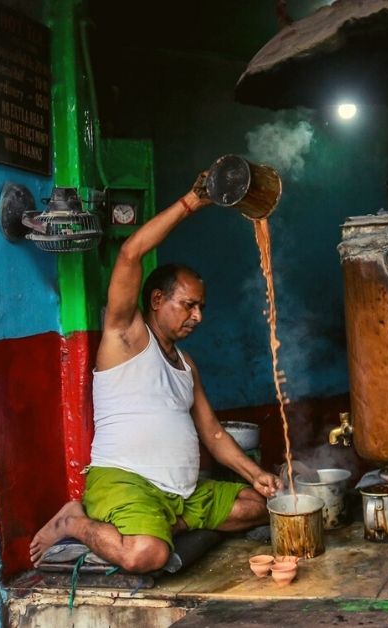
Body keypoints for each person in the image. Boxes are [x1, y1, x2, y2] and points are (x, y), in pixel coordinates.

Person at [29, 178, 281, 574]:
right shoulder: (125, 336)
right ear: (158, 300)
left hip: (183, 495)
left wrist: (258, 474)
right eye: (189, 305)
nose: (198, 316)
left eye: (201, 308)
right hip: (127, 483)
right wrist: (193, 200)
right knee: (146, 555)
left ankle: (171, 524)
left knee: (263, 505)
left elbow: (213, 434)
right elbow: (131, 253)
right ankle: (73, 521)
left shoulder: (186, 364)